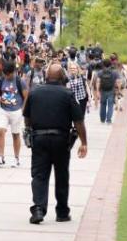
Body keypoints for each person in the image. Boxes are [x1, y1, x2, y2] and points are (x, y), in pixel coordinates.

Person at [24, 64, 87, 224]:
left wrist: (29, 130)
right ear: (62, 77)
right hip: (61, 139)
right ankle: (62, 212)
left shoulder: (35, 92)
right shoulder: (67, 94)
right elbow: (78, 121)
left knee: (39, 175)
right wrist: (83, 142)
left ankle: (38, 208)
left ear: (46, 76)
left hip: (39, 138)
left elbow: (27, 116)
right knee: (61, 175)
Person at [0, 61, 28, 168]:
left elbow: (26, 96)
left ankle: (16, 158)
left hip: (16, 111)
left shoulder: (19, 81)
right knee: (0, 131)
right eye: (5, 73)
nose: (7, 76)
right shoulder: (1, 80)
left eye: (9, 74)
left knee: (15, 134)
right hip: (3, 110)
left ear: (14, 72)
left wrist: (23, 110)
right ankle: (1, 157)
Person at [93, 58, 120, 124]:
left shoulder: (100, 72)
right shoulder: (115, 72)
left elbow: (98, 82)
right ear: (110, 64)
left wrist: (97, 91)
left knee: (103, 105)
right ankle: (108, 120)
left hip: (103, 90)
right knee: (110, 105)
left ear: (103, 64)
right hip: (111, 90)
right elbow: (118, 82)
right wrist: (118, 90)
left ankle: (102, 119)